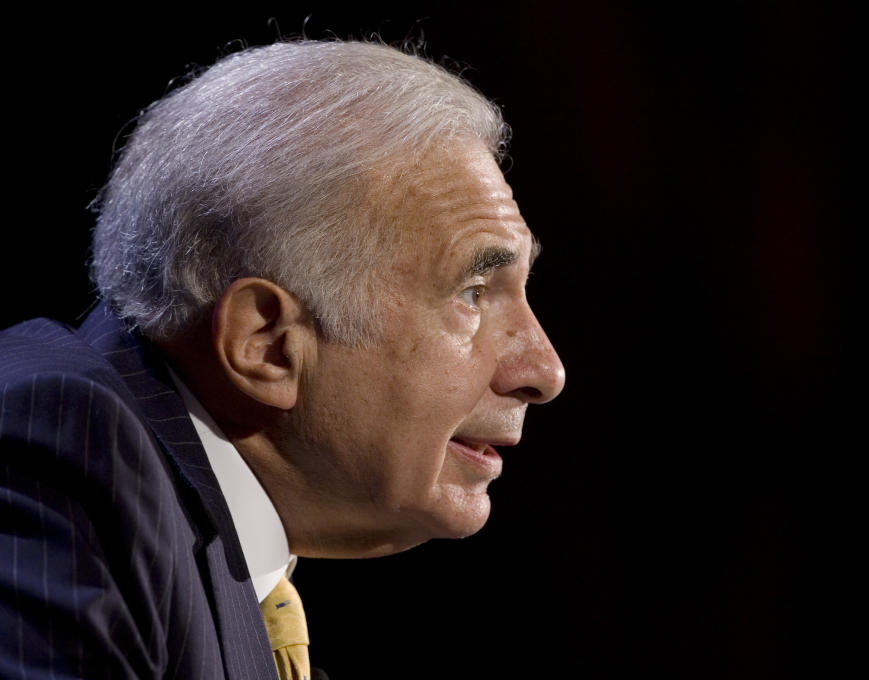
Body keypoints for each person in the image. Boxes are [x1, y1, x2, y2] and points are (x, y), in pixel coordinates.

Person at [0, 40, 564, 679]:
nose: (544, 372)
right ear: (265, 343)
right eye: (472, 293)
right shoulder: (62, 451)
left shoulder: (215, 552)